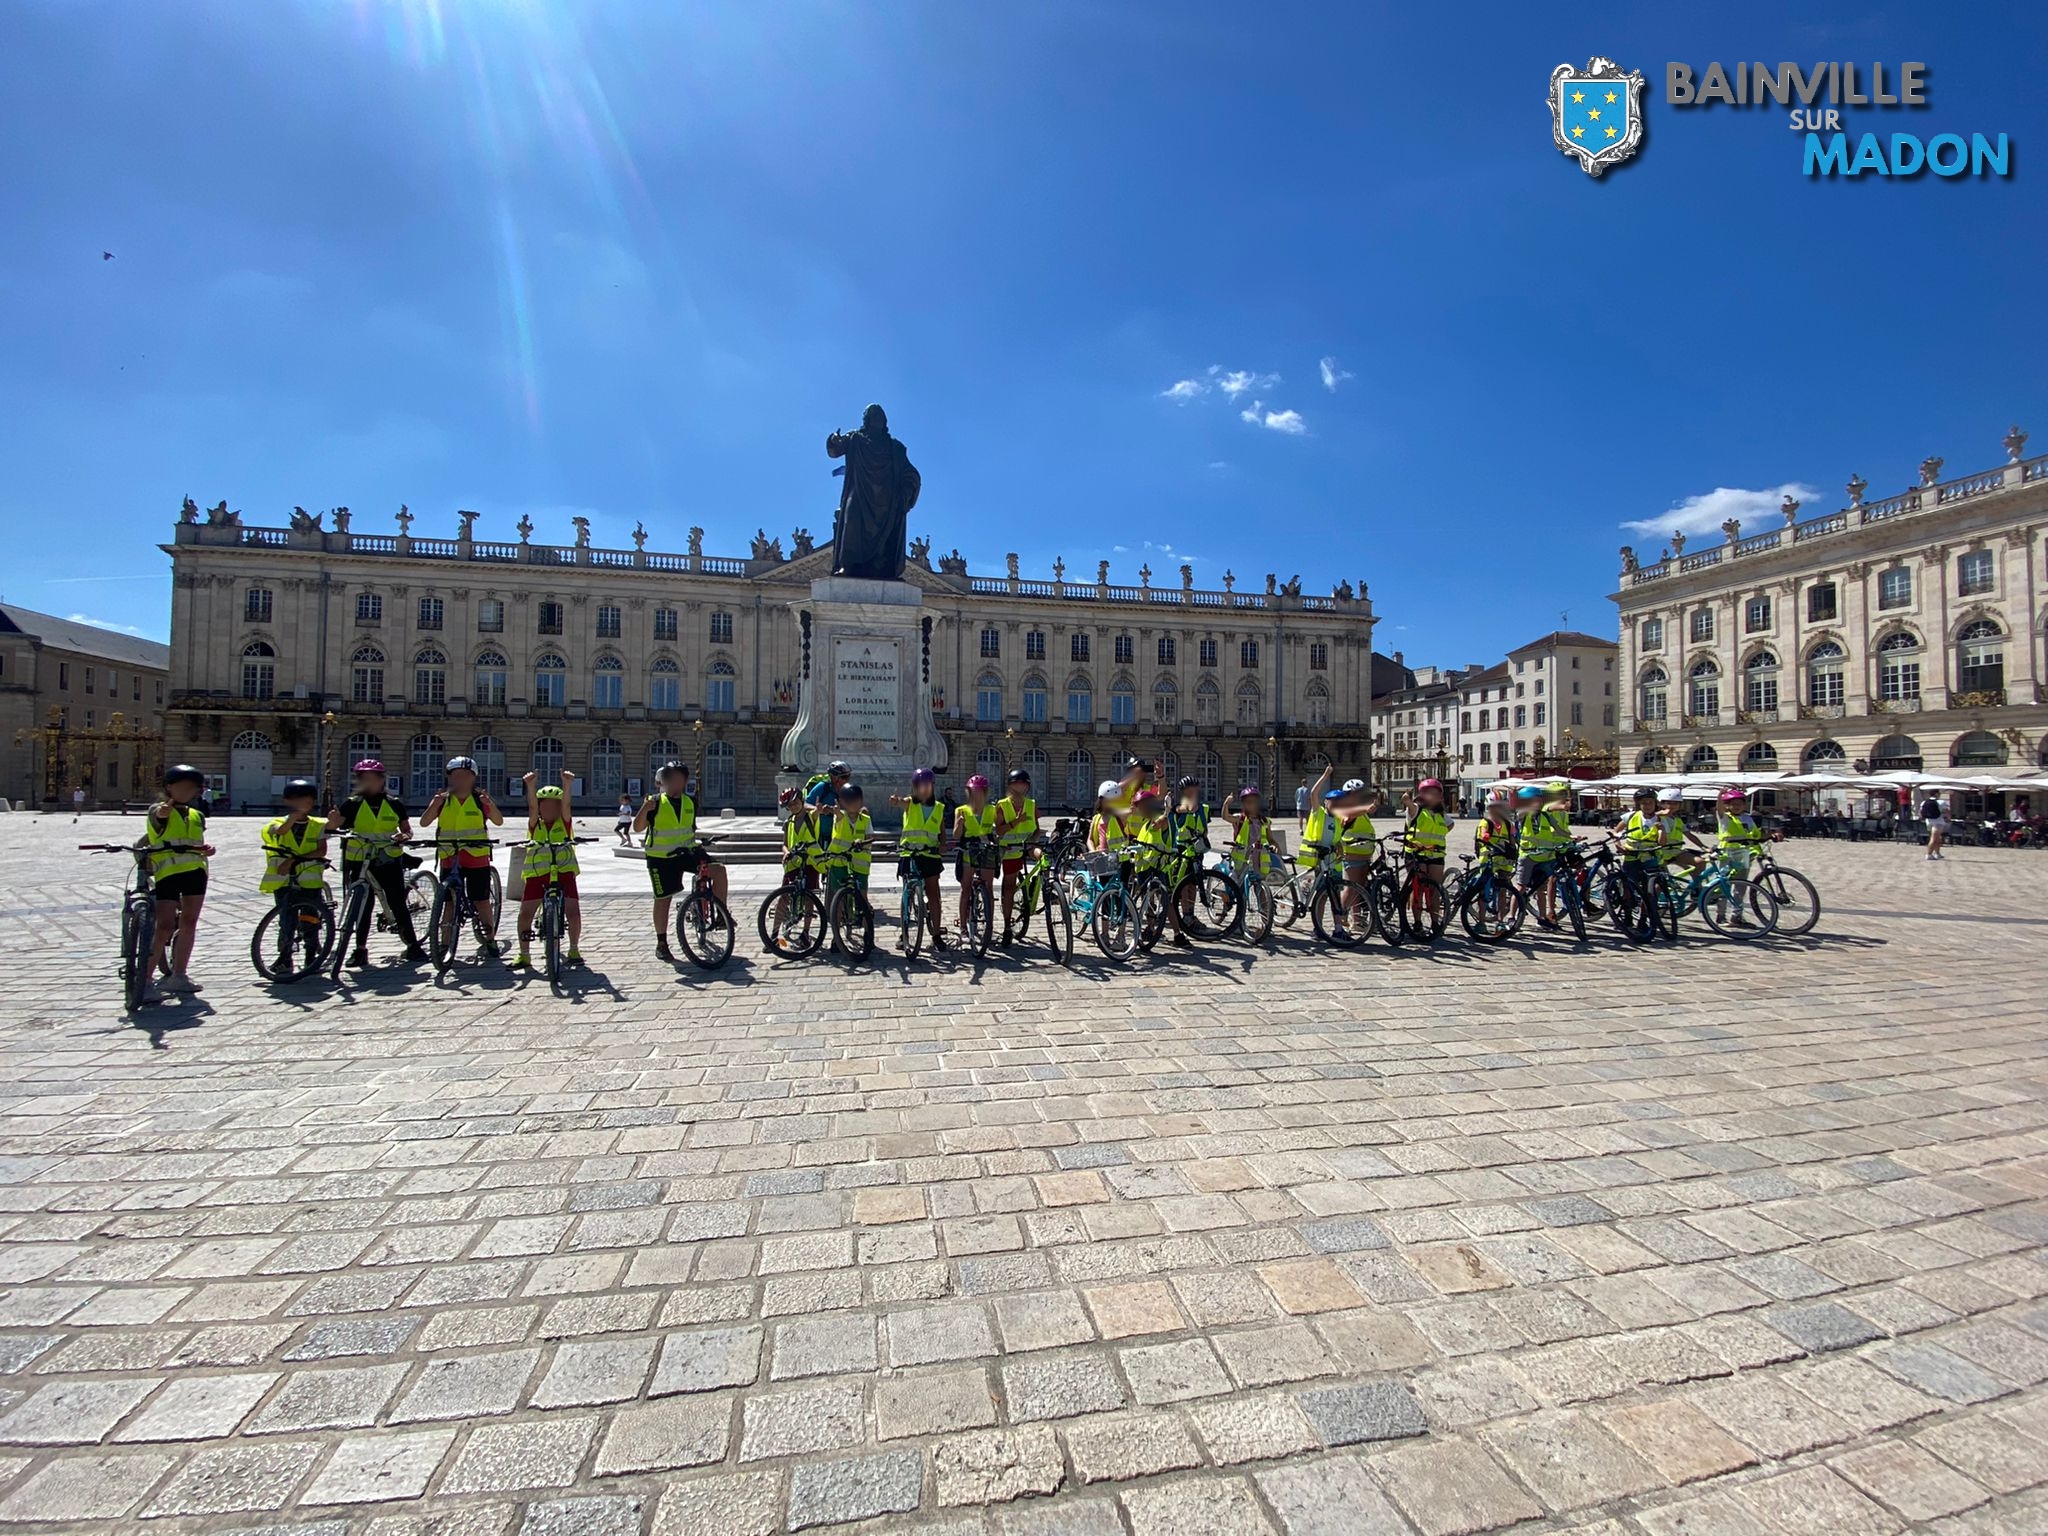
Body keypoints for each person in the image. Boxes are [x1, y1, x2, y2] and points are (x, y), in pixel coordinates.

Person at [327, 758, 429, 966]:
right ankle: (360, 949)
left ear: (382, 780)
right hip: (358, 860)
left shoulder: (393, 803)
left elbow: (407, 829)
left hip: (387, 859)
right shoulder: (352, 804)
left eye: (373, 779)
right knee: (362, 905)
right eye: (364, 779)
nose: (369, 783)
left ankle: (412, 945)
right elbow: (335, 826)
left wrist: (404, 836)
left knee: (397, 901)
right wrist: (333, 822)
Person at [638, 760, 724, 963]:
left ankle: (721, 916)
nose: (673, 782)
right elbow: (638, 827)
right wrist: (644, 808)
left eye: (677, 778)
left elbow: (689, 828)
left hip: (686, 852)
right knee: (663, 899)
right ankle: (661, 943)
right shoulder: (656, 801)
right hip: (661, 858)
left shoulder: (690, 802)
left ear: (684, 781)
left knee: (718, 870)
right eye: (669, 778)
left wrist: (700, 843)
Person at [142, 764, 216, 997]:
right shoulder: (159, 809)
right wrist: (163, 812)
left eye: (191, 788)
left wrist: (206, 849)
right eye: (180, 787)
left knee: (189, 923)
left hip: (195, 871)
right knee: (164, 926)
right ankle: (144, 978)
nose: (185, 791)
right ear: (169, 787)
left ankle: (180, 974)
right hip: (168, 873)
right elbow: (159, 816)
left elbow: (194, 838)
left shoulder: (197, 815)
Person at [421, 756, 505, 959]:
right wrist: (435, 804)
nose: (461, 780)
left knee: (481, 901)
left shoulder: (478, 799)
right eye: (457, 776)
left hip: (476, 856)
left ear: (474, 778)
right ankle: (443, 943)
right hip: (450, 856)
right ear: (450, 777)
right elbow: (424, 822)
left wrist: (489, 804)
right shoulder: (443, 799)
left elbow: (498, 821)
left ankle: (490, 939)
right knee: (448, 902)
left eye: (466, 776)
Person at [512, 769, 582, 968]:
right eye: (545, 805)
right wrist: (530, 786)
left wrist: (567, 785)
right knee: (526, 913)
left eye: (554, 805)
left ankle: (574, 948)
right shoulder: (536, 824)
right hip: (537, 873)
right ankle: (524, 953)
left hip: (564, 872)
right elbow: (532, 807)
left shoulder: (564, 823)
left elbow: (567, 805)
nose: (549, 809)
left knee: (573, 912)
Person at [258, 778, 328, 968]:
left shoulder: (317, 824)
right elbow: (279, 832)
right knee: (286, 920)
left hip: (310, 879)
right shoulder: (276, 822)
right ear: (287, 802)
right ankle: (285, 957)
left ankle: (311, 956)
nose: (302, 805)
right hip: (284, 881)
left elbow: (321, 850)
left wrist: (295, 859)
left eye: (306, 800)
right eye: (296, 801)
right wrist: (292, 819)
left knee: (310, 919)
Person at [888, 769, 949, 949]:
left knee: (933, 894)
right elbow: (901, 802)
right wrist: (896, 801)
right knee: (907, 893)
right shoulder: (910, 803)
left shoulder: (938, 807)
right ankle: (904, 932)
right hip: (910, 854)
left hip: (930, 854)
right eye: (920, 786)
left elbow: (942, 831)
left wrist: (943, 844)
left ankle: (936, 934)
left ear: (933, 787)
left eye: (927, 786)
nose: (923, 789)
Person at [1128, 787, 1189, 946]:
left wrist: (1168, 810)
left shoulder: (1159, 821)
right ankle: (1150, 928)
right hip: (1143, 870)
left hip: (1156, 868)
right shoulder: (1144, 825)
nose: (1141, 810)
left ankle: (1177, 934)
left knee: (1164, 901)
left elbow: (1159, 823)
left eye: (1143, 806)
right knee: (1148, 902)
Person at [1715, 787, 1773, 923]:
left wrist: (1771, 835)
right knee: (1724, 884)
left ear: (1744, 805)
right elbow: (1719, 809)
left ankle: (1737, 915)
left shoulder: (1748, 818)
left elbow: (1755, 835)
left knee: (1741, 885)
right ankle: (1720, 914)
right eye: (1733, 804)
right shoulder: (1725, 817)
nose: (1736, 807)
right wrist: (1720, 795)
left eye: (1739, 804)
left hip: (1743, 852)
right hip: (1727, 852)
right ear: (1727, 805)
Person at [993, 768, 1037, 944]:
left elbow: (1036, 828)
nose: (1020, 788)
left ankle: (1047, 890)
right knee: (1009, 885)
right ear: (1010, 787)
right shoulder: (1002, 805)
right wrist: (1016, 822)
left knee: (1045, 860)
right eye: (1016, 785)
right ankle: (1007, 926)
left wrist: (1034, 840)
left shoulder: (1031, 805)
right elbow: (999, 830)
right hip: (1009, 849)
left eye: (1023, 785)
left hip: (1026, 845)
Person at [1402, 777, 1453, 928]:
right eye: (1428, 793)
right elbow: (1409, 805)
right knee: (1419, 888)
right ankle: (1417, 922)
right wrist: (1406, 798)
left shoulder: (1441, 815)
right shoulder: (1417, 810)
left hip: (1436, 855)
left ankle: (1435, 921)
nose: (1432, 796)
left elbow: (1450, 825)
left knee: (1435, 889)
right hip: (1416, 854)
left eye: (1435, 794)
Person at [953, 774, 1000, 936]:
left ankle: (990, 925)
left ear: (985, 793)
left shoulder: (992, 810)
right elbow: (956, 836)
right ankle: (963, 926)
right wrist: (959, 824)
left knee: (989, 888)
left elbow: (998, 831)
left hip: (986, 851)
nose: (976, 794)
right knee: (965, 889)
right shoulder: (961, 810)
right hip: (968, 851)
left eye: (980, 791)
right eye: (973, 791)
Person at [825, 783, 874, 938]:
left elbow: (870, 838)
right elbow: (838, 815)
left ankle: (868, 933)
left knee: (863, 898)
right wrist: (834, 808)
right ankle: (836, 937)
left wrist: (863, 841)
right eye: (849, 800)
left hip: (860, 865)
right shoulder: (839, 816)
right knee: (838, 901)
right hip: (839, 862)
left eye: (856, 800)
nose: (853, 803)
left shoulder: (865, 819)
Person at [1919, 790, 1947, 860]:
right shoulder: (1941, 802)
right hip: (1938, 822)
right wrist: (1948, 818)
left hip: (1929, 822)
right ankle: (1929, 854)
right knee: (1934, 839)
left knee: (1937, 838)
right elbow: (1945, 811)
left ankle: (1937, 853)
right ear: (1936, 794)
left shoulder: (1924, 802)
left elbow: (1920, 812)